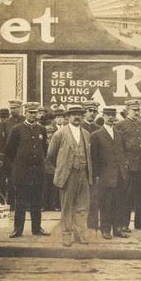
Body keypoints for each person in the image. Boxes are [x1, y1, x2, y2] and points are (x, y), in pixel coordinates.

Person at [46, 105, 93, 247]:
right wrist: (61, 170)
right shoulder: (59, 134)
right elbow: (50, 156)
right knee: (67, 206)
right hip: (68, 174)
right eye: (74, 114)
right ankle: (66, 235)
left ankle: (80, 234)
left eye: (79, 114)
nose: (77, 117)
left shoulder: (86, 133)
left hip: (83, 173)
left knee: (82, 206)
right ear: (68, 117)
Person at [4, 102, 49, 238]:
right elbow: (10, 151)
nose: (33, 115)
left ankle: (37, 228)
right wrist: (19, 165)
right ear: (25, 113)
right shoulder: (17, 129)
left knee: (36, 202)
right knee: (21, 203)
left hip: (37, 173)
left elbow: (44, 150)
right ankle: (18, 229)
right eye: (30, 112)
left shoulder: (42, 129)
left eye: (35, 113)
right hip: (22, 173)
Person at [90, 107, 129, 239]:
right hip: (104, 175)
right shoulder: (96, 135)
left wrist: (125, 168)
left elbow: (124, 152)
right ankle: (105, 229)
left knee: (119, 203)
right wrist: (96, 175)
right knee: (105, 203)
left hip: (119, 175)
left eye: (113, 115)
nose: (111, 117)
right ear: (103, 117)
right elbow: (93, 158)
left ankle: (117, 229)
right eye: (108, 115)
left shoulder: (120, 134)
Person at [115, 99, 141, 231]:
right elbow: (118, 147)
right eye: (134, 110)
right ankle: (124, 224)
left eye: (138, 109)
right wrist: (124, 163)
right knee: (127, 196)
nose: (136, 112)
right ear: (127, 110)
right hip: (129, 166)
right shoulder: (121, 125)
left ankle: (139, 223)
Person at [0, 99, 25, 206]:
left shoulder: (25, 120)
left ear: (20, 108)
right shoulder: (5, 123)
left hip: (23, 157)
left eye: (15, 108)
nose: (12, 110)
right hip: (10, 158)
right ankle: (11, 205)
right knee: (11, 182)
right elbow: (2, 141)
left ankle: (24, 204)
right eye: (11, 108)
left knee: (24, 181)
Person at [82, 100, 101, 231]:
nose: (92, 114)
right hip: (80, 168)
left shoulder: (98, 129)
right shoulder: (78, 126)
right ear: (84, 112)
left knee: (94, 199)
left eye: (94, 111)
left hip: (94, 170)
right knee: (79, 200)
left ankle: (93, 225)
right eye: (90, 111)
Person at [41, 110, 61, 211]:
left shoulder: (56, 133)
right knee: (44, 184)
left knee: (53, 184)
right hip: (44, 162)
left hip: (53, 162)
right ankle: (44, 204)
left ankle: (52, 204)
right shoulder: (42, 132)